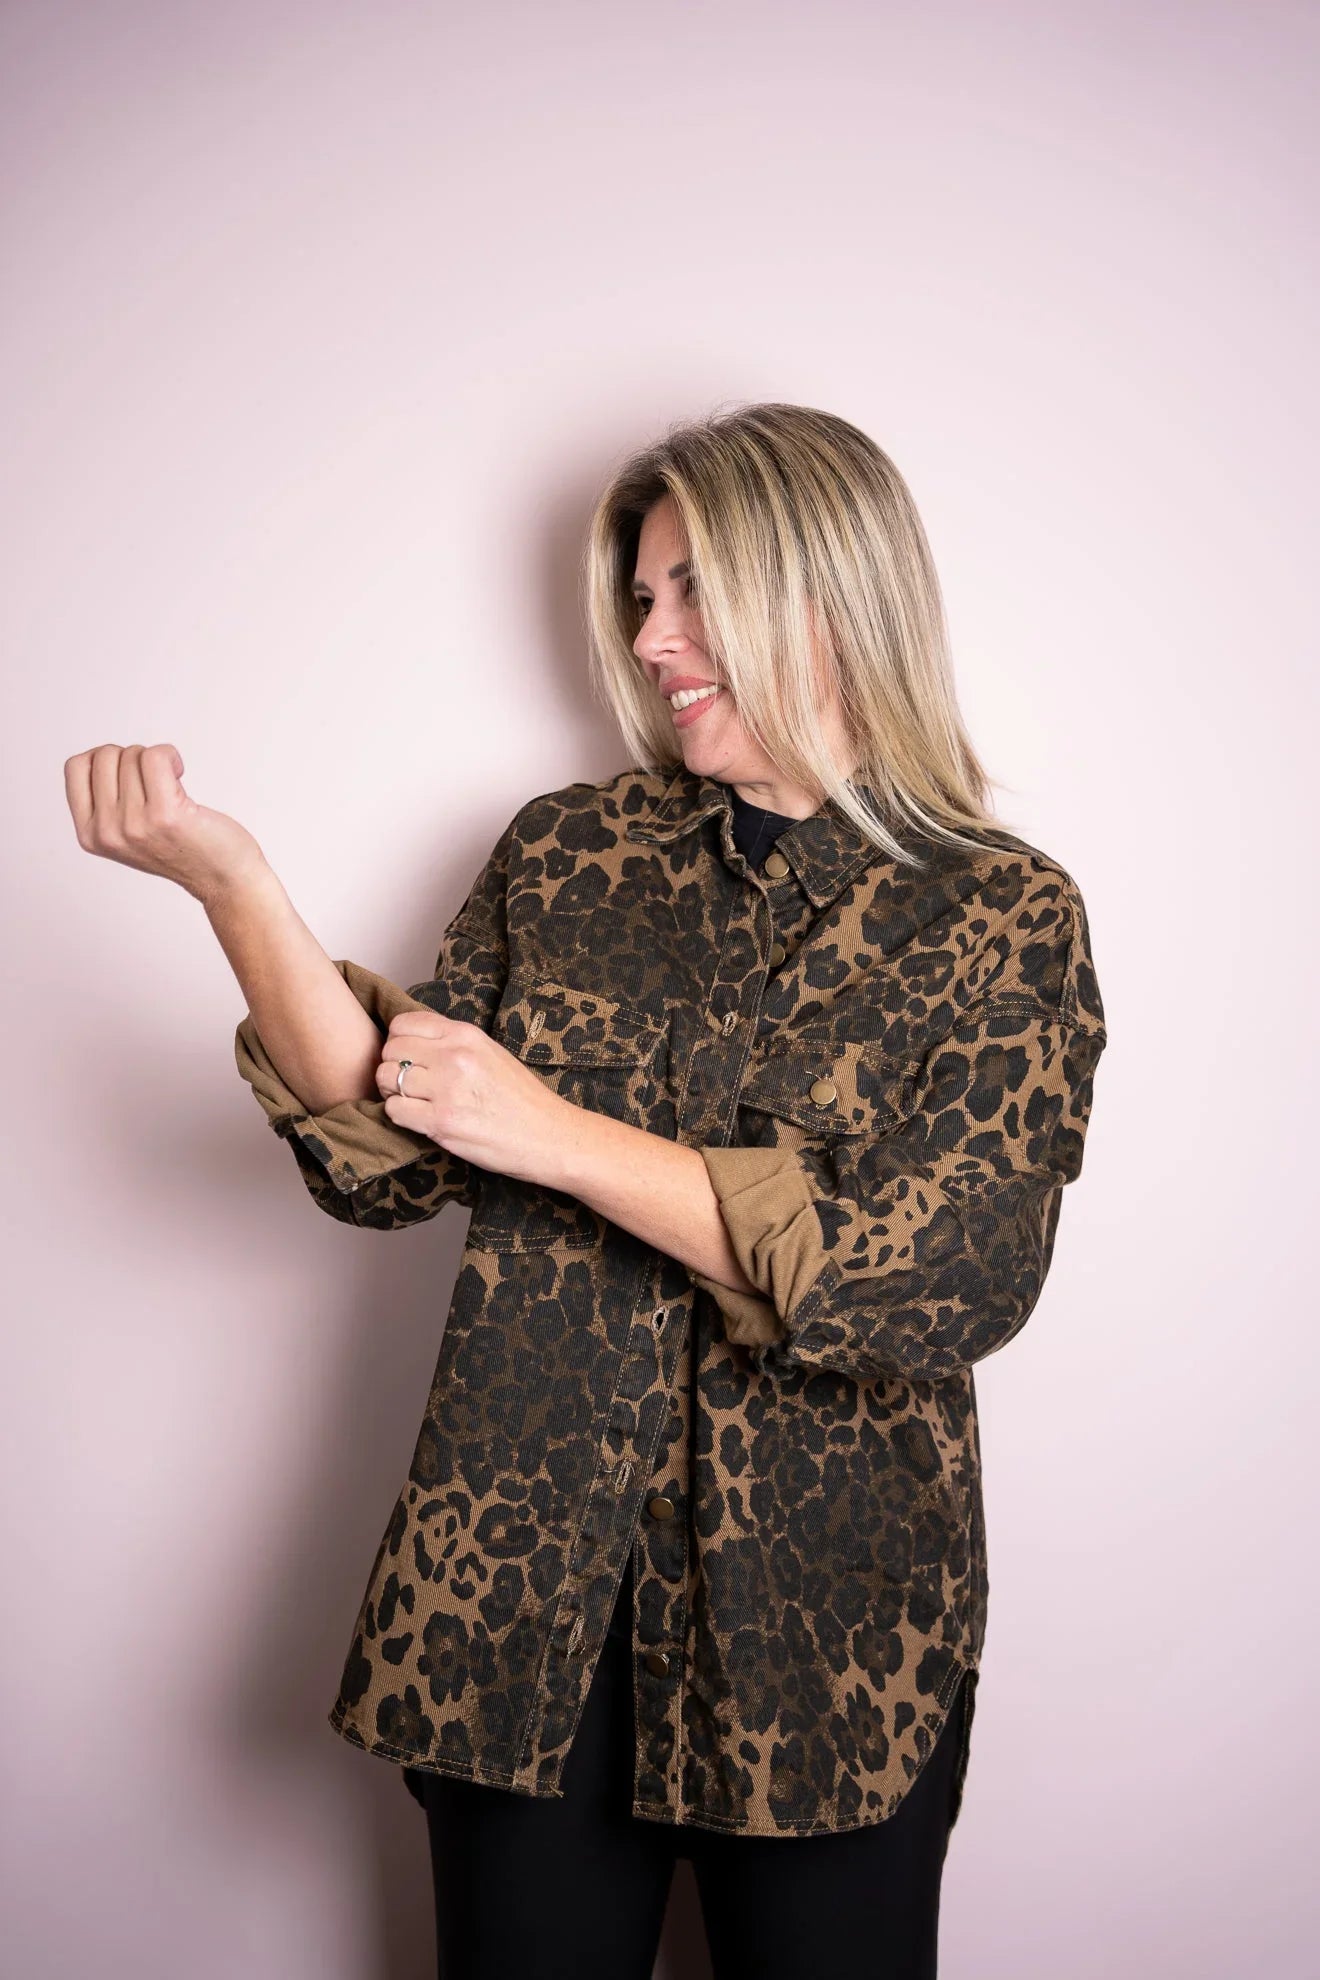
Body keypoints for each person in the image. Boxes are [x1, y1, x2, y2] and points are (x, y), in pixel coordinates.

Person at [64, 401, 1107, 1979]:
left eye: (692, 591)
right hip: (516, 1614)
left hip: (829, 1641)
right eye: (641, 596)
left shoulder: (1002, 915)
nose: (651, 638)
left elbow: (939, 1277)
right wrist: (234, 886)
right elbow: (390, 1151)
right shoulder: (566, 855)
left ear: (826, 593)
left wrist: (552, 1133)